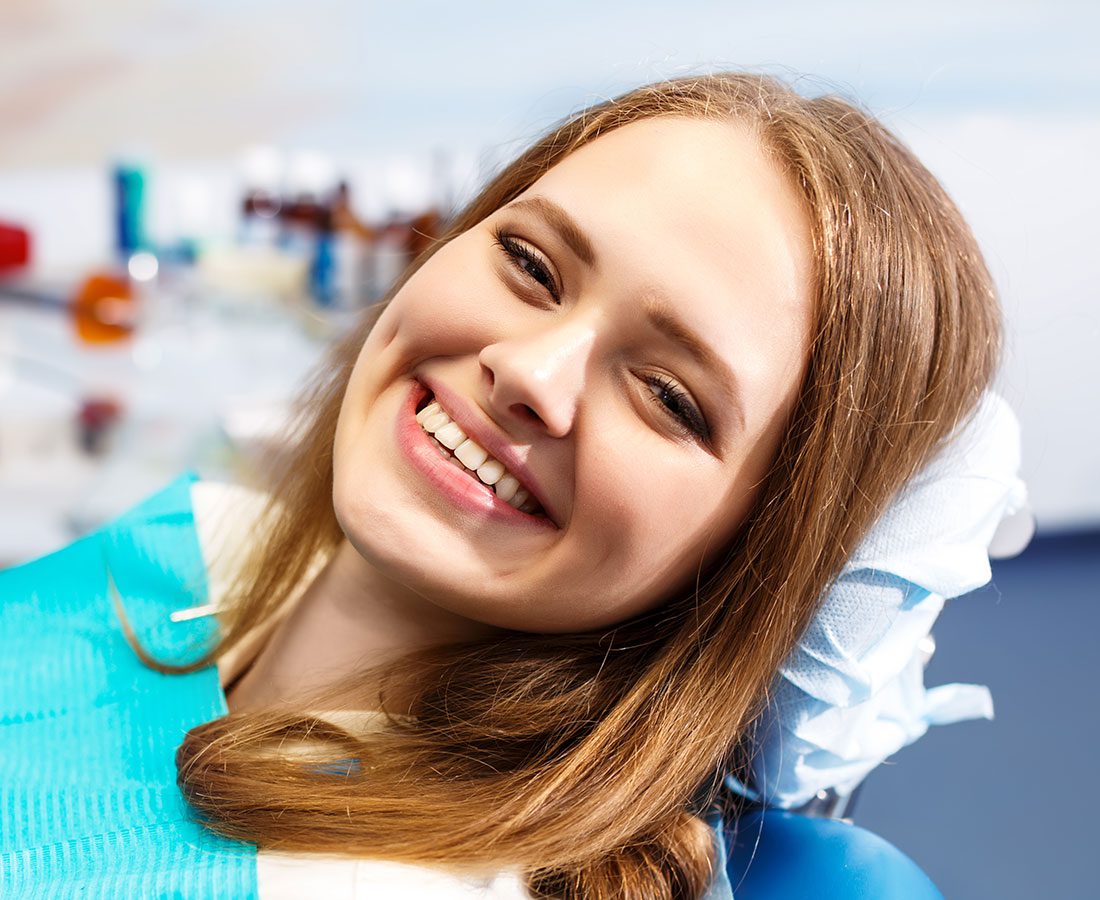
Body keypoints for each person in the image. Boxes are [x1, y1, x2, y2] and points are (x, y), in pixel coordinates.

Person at [10, 71, 1004, 900]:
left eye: (666, 394)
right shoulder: (187, 542)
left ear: (758, 554)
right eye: (530, 263)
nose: (531, 372)